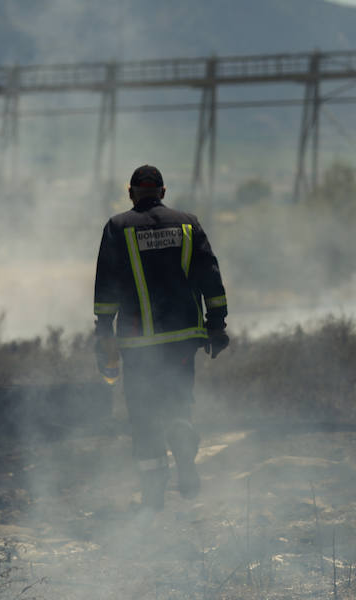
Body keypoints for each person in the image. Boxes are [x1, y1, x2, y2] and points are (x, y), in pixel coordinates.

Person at [93, 164, 229, 511]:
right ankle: (182, 439)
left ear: (131, 193)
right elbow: (210, 276)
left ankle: (153, 495)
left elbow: (106, 286)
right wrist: (217, 325)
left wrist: (103, 333)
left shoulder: (118, 228)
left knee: (143, 415)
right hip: (183, 337)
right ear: (163, 192)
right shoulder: (188, 224)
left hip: (138, 343)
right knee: (179, 400)